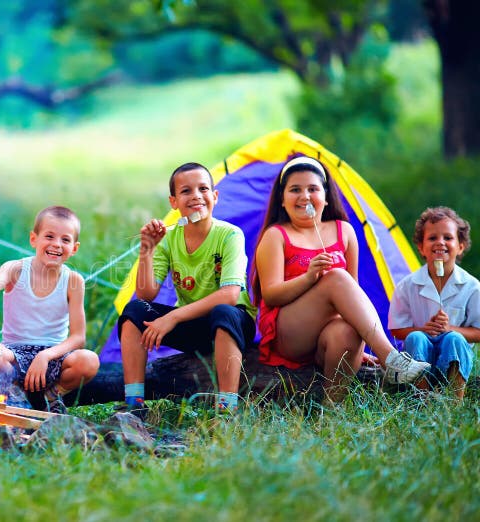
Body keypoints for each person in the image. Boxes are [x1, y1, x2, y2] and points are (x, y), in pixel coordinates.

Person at [252, 155, 430, 402]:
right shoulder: (276, 236)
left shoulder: (344, 231)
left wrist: (361, 343)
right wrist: (310, 278)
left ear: (325, 197)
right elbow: (270, 295)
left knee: (347, 329)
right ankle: (391, 358)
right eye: (295, 190)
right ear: (282, 200)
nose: (304, 196)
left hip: (329, 333)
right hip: (290, 333)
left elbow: (352, 292)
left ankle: (332, 409)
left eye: (313, 189)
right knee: (336, 277)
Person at [118, 162, 257, 414]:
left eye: (203, 188)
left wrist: (172, 317)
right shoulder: (169, 238)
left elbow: (229, 296)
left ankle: (226, 409)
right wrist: (147, 250)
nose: (195, 196)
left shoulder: (230, 235)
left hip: (233, 322)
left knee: (223, 312)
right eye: (185, 191)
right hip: (194, 327)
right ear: (174, 202)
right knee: (135, 310)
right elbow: (146, 294)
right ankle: (134, 403)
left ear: (214, 196)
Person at [0, 206, 99, 414]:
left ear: (75, 248)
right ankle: (15, 395)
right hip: (15, 353)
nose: (56, 244)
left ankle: (49, 397)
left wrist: (45, 356)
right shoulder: (15, 269)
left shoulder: (73, 281)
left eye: (65, 240)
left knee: (89, 360)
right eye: (49, 236)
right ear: (34, 239)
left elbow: (78, 338)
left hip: (53, 357)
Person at [388, 207, 480, 400]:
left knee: (453, 339)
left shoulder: (472, 287)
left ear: (461, 246)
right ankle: (422, 397)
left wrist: (450, 328)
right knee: (416, 338)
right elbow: (397, 329)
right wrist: (422, 329)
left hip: (455, 355)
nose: (440, 242)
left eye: (448, 237)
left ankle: (456, 400)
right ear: (421, 247)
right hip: (423, 353)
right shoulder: (407, 286)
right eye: (432, 238)